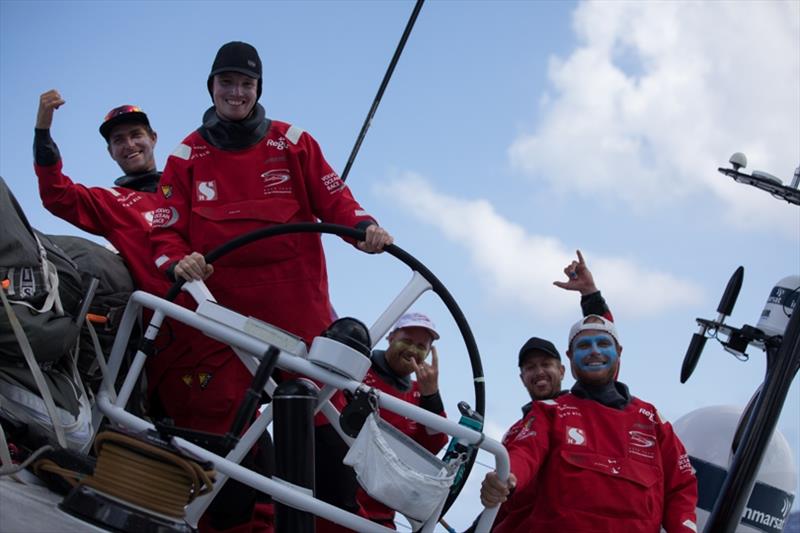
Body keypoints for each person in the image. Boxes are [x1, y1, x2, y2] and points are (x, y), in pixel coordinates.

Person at [148, 41, 393, 532]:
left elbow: (336, 199)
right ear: (212, 87)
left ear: (259, 89)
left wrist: (365, 227)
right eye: (227, 82)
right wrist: (178, 260)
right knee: (229, 437)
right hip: (225, 326)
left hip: (300, 315)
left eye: (246, 83)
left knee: (329, 433)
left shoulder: (293, 142)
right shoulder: (185, 155)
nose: (236, 93)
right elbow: (164, 229)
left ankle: (341, 524)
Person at [34, 93, 273, 533]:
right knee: (211, 460)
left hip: (230, 334)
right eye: (119, 140)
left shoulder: (188, 183)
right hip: (172, 349)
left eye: (136, 135)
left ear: (153, 138)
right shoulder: (110, 201)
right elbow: (56, 194)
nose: (129, 145)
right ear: (111, 151)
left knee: (259, 453)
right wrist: (43, 131)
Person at [480, 315, 698, 533]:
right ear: (571, 357)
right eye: (584, 345)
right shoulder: (550, 411)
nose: (594, 351)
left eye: (603, 343)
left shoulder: (652, 419)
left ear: (619, 352)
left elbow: (681, 485)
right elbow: (526, 452)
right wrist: (507, 477)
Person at [356, 312, 447, 529]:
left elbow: (432, 445)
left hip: (379, 512)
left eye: (421, 346)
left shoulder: (421, 394)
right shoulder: (358, 369)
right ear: (390, 337)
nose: (413, 350)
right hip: (329, 493)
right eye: (406, 341)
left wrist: (432, 396)